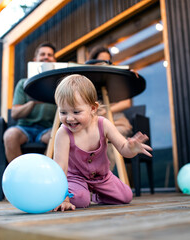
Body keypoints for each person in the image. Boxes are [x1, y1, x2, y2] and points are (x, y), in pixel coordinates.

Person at [52, 74, 152, 211]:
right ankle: (83, 194)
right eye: (63, 112)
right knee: (80, 200)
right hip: (74, 178)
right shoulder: (63, 133)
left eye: (76, 112)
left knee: (126, 196)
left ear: (93, 108)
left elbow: (123, 148)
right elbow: (60, 168)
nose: (69, 118)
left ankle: (97, 196)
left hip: (102, 176)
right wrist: (63, 199)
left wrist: (131, 148)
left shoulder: (103, 124)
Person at [3, 42, 57, 162]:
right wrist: (32, 103)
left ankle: (43, 173)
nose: (46, 57)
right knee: (9, 136)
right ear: (35, 60)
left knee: (59, 137)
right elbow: (15, 114)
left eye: (50, 55)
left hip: (48, 129)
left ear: (54, 60)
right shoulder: (24, 83)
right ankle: (20, 176)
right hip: (24, 128)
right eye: (42, 54)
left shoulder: (58, 84)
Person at [88, 46, 133, 170]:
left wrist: (106, 110)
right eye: (100, 61)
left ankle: (105, 178)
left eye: (107, 62)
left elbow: (127, 103)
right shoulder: (88, 82)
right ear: (92, 63)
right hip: (95, 124)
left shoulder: (115, 80)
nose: (104, 65)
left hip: (117, 121)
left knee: (108, 137)